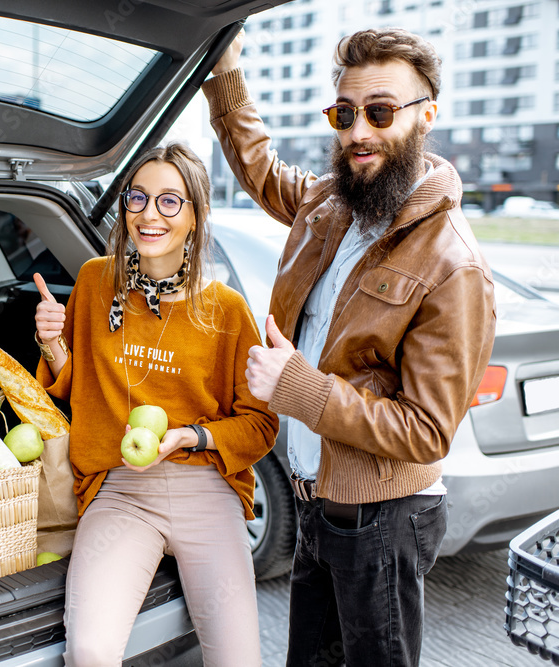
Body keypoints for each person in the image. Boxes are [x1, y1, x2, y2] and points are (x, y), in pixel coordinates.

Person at [202, 27, 496, 666]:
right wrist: (225, 72)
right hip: (316, 503)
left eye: (381, 112)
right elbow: (258, 167)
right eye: (345, 113)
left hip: (384, 521)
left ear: (427, 116)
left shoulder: (453, 264)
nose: (358, 131)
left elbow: (425, 431)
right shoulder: (331, 203)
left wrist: (299, 389)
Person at [32, 142, 278, 666]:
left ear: (196, 215)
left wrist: (192, 436)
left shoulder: (225, 310)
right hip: (121, 489)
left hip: (206, 488)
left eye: (170, 201)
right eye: (138, 198)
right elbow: (76, 387)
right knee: (90, 651)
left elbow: (259, 425)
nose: (149, 214)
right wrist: (53, 344)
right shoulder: (96, 282)